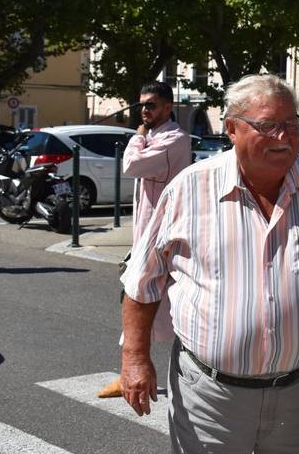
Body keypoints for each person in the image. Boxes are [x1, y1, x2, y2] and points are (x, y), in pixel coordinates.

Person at [120, 74, 299, 454]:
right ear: (231, 128)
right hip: (210, 397)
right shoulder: (189, 189)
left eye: (291, 125)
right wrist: (135, 359)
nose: (284, 137)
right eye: (268, 126)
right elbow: (143, 280)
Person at [97, 80, 192, 398]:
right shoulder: (154, 136)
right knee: (151, 300)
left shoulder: (175, 139)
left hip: (163, 232)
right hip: (147, 232)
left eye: (151, 104)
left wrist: (136, 138)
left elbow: (131, 165)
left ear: (168, 107)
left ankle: (133, 372)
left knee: (139, 295)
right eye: (141, 105)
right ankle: (142, 371)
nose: (144, 111)